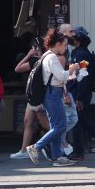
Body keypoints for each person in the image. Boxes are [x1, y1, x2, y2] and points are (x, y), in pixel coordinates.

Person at [25, 28, 76, 167]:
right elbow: (61, 76)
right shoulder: (52, 57)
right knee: (61, 125)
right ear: (58, 44)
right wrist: (73, 68)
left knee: (55, 126)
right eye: (65, 45)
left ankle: (56, 157)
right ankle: (36, 147)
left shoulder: (46, 55)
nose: (66, 48)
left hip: (50, 93)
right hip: (53, 93)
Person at [68, 27, 95, 160]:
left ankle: (78, 152)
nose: (70, 39)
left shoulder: (81, 55)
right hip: (79, 92)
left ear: (78, 39)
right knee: (83, 121)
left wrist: (79, 97)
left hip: (79, 93)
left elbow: (83, 76)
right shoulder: (79, 53)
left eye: (73, 37)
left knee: (77, 122)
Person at [10, 37, 52, 159]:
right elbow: (17, 69)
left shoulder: (43, 60)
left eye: (35, 48)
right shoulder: (36, 60)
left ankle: (63, 146)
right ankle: (24, 151)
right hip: (33, 96)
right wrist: (29, 56)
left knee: (48, 126)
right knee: (27, 122)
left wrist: (28, 55)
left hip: (40, 96)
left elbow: (17, 68)